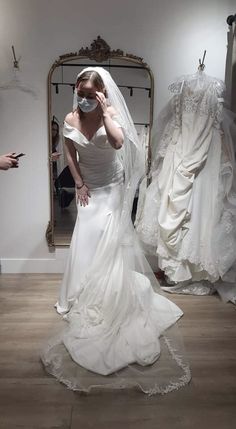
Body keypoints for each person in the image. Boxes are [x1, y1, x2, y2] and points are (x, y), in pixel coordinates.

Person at [41, 67, 191, 395]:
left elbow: (118, 141)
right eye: (79, 93)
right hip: (88, 186)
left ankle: (107, 292)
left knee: (108, 238)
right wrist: (78, 183)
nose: (83, 100)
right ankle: (79, 292)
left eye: (89, 95)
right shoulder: (69, 118)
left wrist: (107, 111)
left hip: (111, 185)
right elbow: (69, 151)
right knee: (86, 235)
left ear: (101, 93)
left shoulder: (109, 115)